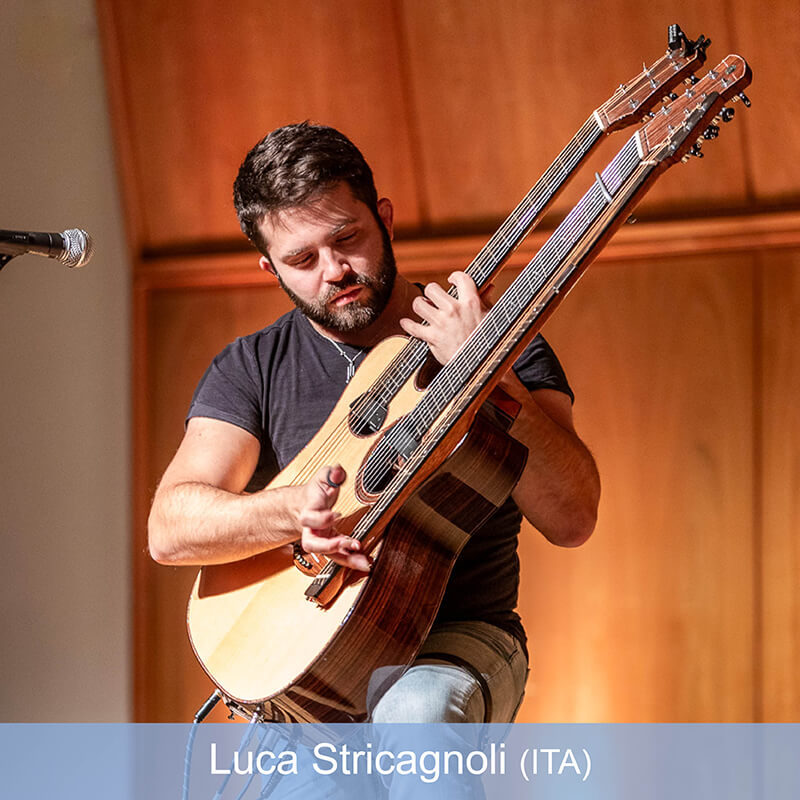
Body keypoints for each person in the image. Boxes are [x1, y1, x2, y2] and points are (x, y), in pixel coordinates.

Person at [148, 122, 600, 725]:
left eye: (347, 238)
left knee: (416, 720)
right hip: (305, 662)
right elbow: (169, 528)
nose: (333, 269)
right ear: (270, 269)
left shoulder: (502, 338)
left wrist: (493, 374)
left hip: (457, 643)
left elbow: (573, 518)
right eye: (302, 259)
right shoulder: (250, 368)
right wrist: (290, 512)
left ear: (384, 219)